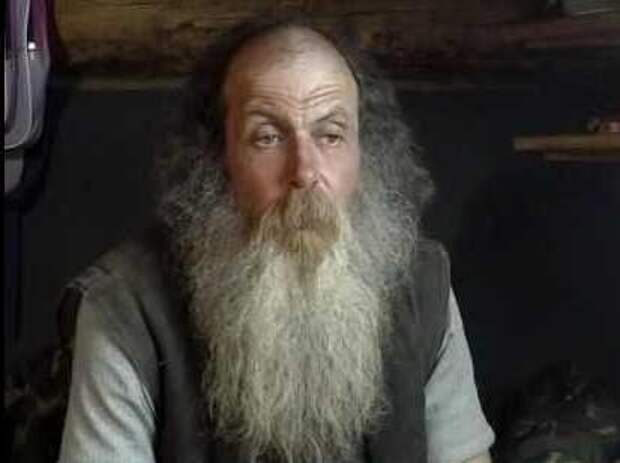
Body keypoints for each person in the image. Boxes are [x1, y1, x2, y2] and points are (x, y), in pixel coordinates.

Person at [58, 16, 495, 463]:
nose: (304, 171)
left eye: (331, 135)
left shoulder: (423, 284)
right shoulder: (125, 304)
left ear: (363, 154)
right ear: (217, 161)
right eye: (267, 138)